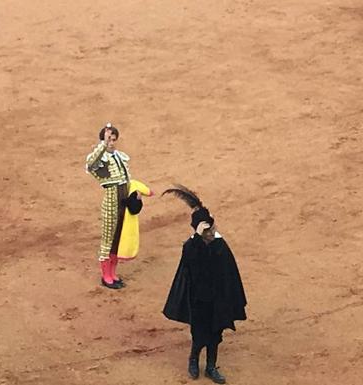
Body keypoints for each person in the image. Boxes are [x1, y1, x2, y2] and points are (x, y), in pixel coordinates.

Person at [162, 185, 247, 384]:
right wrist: (198, 238)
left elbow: (228, 273)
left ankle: (210, 366)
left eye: (211, 228)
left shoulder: (220, 245)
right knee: (199, 335)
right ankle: (193, 360)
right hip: (199, 301)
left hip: (217, 299)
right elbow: (193, 262)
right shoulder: (192, 246)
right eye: (206, 230)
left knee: (215, 335)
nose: (211, 232)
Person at [85, 122, 148, 289]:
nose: (112, 142)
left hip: (122, 201)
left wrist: (135, 194)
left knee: (118, 239)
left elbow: (127, 181)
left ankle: (112, 273)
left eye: (113, 139)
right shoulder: (100, 158)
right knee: (108, 240)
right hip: (111, 203)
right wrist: (103, 145)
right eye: (109, 139)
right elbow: (91, 164)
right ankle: (106, 276)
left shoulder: (119, 157)